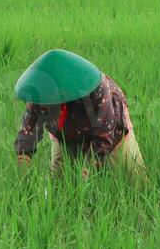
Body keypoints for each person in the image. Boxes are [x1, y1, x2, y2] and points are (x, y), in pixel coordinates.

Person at [13, 49, 146, 180]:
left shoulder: (97, 92)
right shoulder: (40, 95)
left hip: (111, 127)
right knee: (59, 180)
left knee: (133, 178)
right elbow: (28, 133)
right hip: (64, 132)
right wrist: (22, 176)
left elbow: (104, 136)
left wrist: (86, 172)